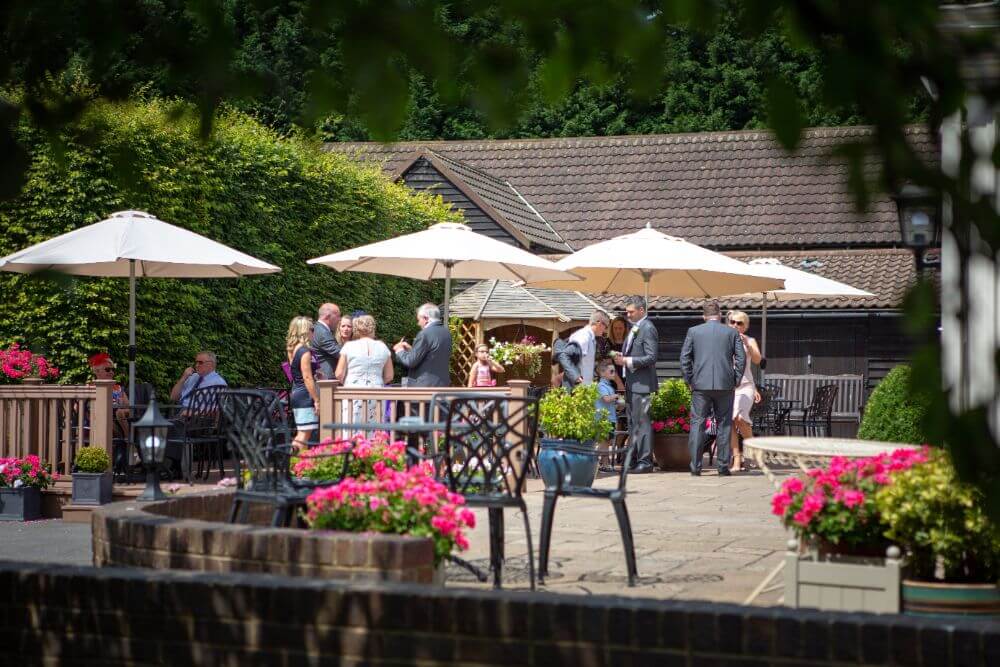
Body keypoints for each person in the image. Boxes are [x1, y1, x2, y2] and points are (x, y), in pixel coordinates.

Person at [680, 301, 746, 477]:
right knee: (724, 424)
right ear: (720, 314)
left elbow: (684, 358)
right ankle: (723, 466)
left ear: (704, 316)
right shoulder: (732, 332)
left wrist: (690, 380)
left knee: (697, 424)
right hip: (725, 384)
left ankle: (695, 466)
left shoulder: (693, 331)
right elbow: (741, 358)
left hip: (700, 384)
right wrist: (737, 379)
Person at [612, 296, 659, 473]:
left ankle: (646, 462)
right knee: (633, 423)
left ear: (641, 310)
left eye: (631, 311)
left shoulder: (648, 328)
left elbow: (652, 356)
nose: (627, 314)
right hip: (633, 383)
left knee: (643, 423)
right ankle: (632, 459)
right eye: (627, 311)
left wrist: (627, 360)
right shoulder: (635, 328)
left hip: (642, 384)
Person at [336, 315, 393, 422]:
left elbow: (339, 373)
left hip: (352, 391)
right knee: (375, 428)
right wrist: (375, 381)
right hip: (376, 391)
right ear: (373, 328)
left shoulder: (349, 346)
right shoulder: (383, 347)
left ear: (356, 329)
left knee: (351, 425)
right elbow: (389, 376)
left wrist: (350, 382)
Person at [727, 310, 762, 471]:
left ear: (745, 326)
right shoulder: (724, 339)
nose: (735, 325)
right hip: (728, 386)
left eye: (739, 323)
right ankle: (736, 460)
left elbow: (757, 360)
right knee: (731, 421)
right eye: (732, 322)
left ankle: (754, 451)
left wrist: (747, 344)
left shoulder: (750, 340)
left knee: (739, 417)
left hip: (746, 385)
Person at [393, 303, 451, 387]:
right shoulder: (446, 333)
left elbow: (411, 361)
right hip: (442, 385)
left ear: (426, 318)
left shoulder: (425, 334)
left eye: (419, 320)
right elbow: (431, 355)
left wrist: (399, 350)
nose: (418, 323)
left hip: (424, 387)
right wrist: (412, 350)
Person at [286, 316, 319, 448]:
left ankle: (297, 464)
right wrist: (316, 399)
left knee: (303, 432)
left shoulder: (293, 349)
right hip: (305, 395)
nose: (313, 332)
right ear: (305, 331)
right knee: (304, 435)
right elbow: (307, 378)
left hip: (296, 394)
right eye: (312, 329)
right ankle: (291, 463)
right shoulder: (305, 352)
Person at [89, 352, 131, 442]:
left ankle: (127, 437)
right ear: (97, 372)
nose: (111, 372)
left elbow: (128, 405)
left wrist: (121, 403)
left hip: (119, 413)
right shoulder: (91, 386)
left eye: (112, 370)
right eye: (107, 370)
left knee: (119, 413)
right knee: (106, 418)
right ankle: (126, 439)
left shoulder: (118, 387)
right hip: (102, 415)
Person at [568, 310, 611, 385]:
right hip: (577, 387)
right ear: (599, 323)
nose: (605, 330)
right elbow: (571, 360)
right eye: (606, 326)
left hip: (584, 387)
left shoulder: (590, 338)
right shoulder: (584, 336)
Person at [594, 358, 620, 472]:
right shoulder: (601, 386)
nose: (614, 374)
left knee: (606, 442)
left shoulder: (609, 386)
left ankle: (604, 463)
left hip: (610, 418)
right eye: (611, 371)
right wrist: (616, 396)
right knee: (604, 442)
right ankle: (595, 459)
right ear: (602, 373)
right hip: (603, 419)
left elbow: (611, 403)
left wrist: (619, 403)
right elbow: (606, 399)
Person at [311, 303, 342, 380]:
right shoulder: (323, 332)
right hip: (325, 380)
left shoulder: (317, 328)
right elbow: (339, 353)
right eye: (338, 316)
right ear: (328, 316)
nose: (339, 319)